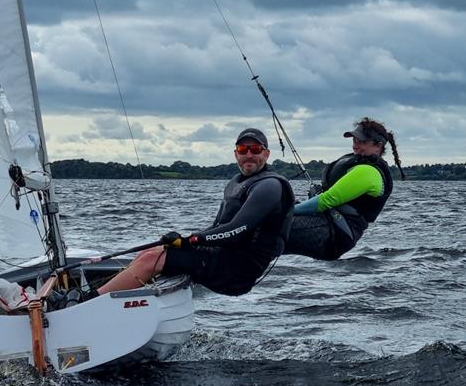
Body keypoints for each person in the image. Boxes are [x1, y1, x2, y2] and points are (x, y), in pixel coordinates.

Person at [96, 128, 294, 297]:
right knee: (149, 253)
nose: (249, 154)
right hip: (221, 256)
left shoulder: (270, 186)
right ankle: (109, 296)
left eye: (255, 149)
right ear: (236, 154)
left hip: (237, 271)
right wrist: (183, 240)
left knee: (150, 261)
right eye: (243, 149)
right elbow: (217, 227)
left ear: (266, 154)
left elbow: (238, 229)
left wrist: (191, 240)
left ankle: (88, 302)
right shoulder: (237, 183)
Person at [284, 117, 405, 260]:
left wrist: (287, 211)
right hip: (328, 225)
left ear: (378, 146)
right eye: (354, 141)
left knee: (268, 226)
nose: (355, 145)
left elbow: (327, 200)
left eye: (362, 142)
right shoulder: (358, 164)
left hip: (335, 234)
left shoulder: (369, 172)